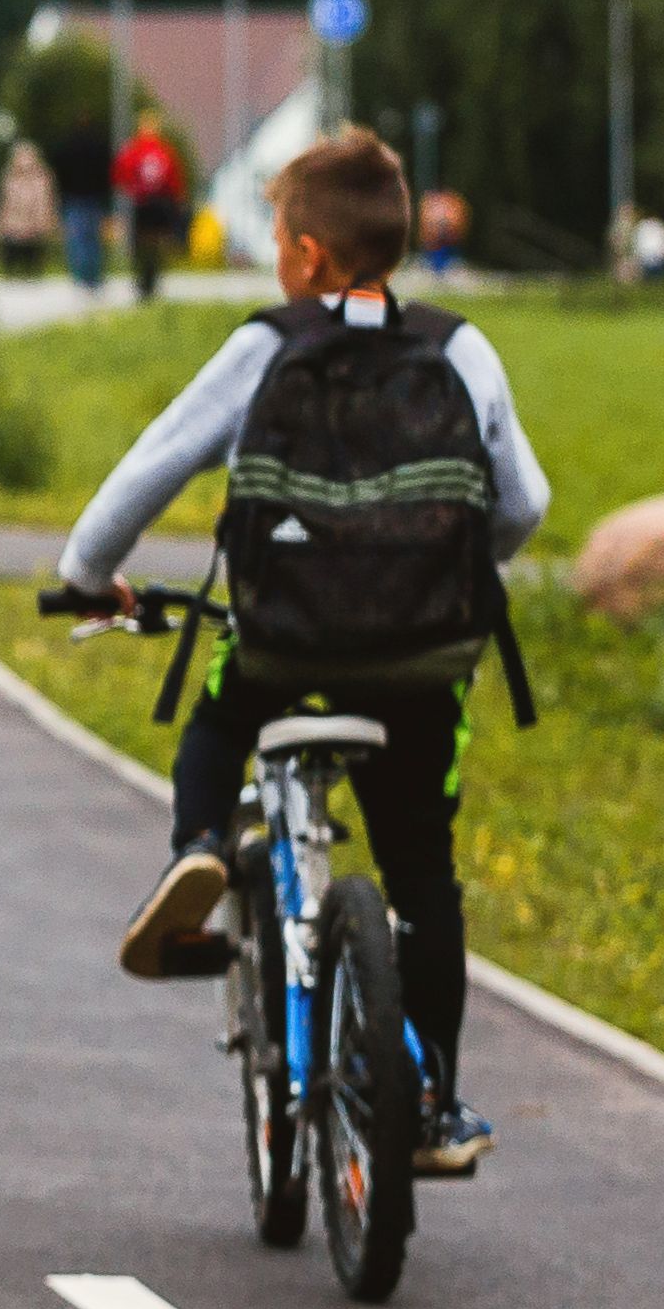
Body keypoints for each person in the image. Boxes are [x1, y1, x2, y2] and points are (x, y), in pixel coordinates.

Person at [59, 124, 548, 1178]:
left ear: (309, 257)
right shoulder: (458, 348)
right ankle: (433, 1107)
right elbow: (523, 505)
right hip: (424, 665)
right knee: (422, 877)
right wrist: (451, 574)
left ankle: (195, 844)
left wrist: (89, 573)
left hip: (287, 652)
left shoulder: (264, 346)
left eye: (277, 239)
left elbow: (149, 469)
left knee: (216, 718)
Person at [113, 105, 188, 302]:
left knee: (140, 244)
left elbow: (121, 174)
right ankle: (153, 279)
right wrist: (177, 200)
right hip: (161, 203)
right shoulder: (165, 150)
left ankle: (142, 280)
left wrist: (130, 188)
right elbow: (175, 179)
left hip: (142, 203)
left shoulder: (134, 149)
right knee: (156, 244)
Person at [49, 111, 115, 290]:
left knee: (77, 239)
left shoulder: (67, 146)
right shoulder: (100, 146)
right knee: (93, 238)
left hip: (73, 197)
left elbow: (58, 170)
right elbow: (108, 172)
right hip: (94, 197)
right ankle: (93, 276)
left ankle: (80, 275)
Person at [0, 136, 60, 281]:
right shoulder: (10, 176)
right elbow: (4, 198)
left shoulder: (41, 176)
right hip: (15, 217)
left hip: (33, 217)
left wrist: (45, 216)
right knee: (13, 245)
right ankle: (15, 271)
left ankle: (31, 271)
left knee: (33, 245)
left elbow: (45, 198)